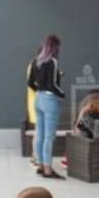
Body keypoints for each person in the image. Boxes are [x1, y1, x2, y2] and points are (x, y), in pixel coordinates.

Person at [27, 34, 66, 179]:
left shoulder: (35, 61)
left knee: (40, 135)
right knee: (49, 137)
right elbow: (52, 85)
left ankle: (41, 166)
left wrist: (40, 89)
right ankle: (48, 170)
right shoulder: (53, 61)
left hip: (38, 99)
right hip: (50, 100)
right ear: (54, 48)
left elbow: (30, 82)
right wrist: (62, 94)